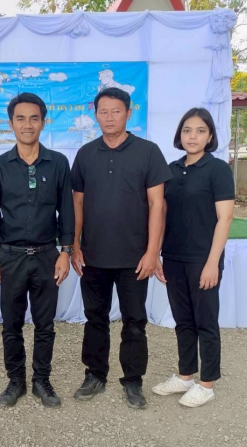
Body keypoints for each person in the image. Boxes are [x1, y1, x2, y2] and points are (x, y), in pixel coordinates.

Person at [70, 87, 172, 410]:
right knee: (94, 318)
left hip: (135, 257)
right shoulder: (86, 154)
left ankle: (133, 380)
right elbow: (77, 203)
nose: (110, 117)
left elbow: (158, 205)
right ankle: (94, 374)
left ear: (129, 113)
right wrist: (74, 245)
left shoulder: (148, 152)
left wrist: (152, 252)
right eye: (103, 112)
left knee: (135, 321)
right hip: (94, 255)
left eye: (116, 111)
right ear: (95, 115)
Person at [0, 93, 74, 408]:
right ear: (11, 124)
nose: (27, 124)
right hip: (10, 257)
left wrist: (66, 252)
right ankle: (15, 381)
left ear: (43, 122)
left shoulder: (58, 163)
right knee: (11, 324)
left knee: (45, 324)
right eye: (20, 118)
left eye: (34, 118)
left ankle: (41, 381)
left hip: (48, 255)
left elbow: (67, 212)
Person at [151, 107, 234, 408]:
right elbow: (161, 214)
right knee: (183, 321)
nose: (193, 136)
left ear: (210, 136)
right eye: (187, 130)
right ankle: (185, 376)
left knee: (205, 322)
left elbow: (225, 218)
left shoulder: (218, 169)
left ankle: (207, 383)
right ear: (180, 134)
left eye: (200, 131)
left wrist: (212, 263)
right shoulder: (171, 169)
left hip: (203, 259)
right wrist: (157, 253)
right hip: (174, 257)